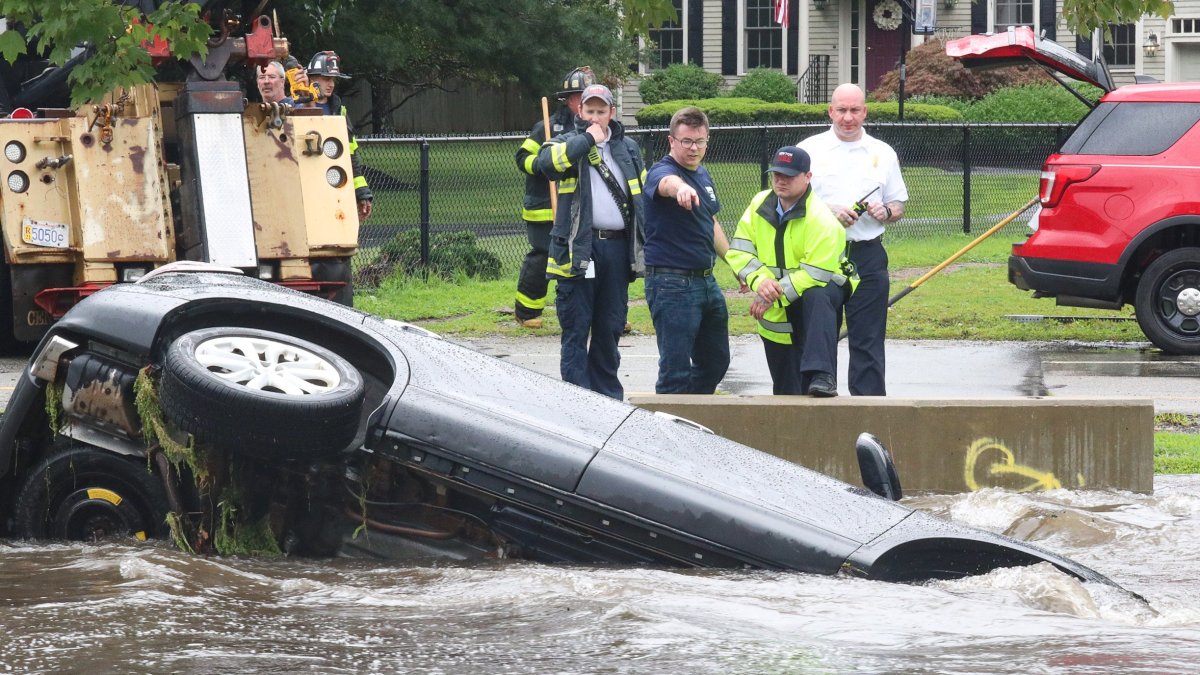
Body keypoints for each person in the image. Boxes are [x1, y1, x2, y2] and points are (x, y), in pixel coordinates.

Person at [533, 84, 646, 400]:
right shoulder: (568, 143)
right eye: (589, 111)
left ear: (612, 113)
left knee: (610, 329)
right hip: (579, 250)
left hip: (617, 250)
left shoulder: (629, 150)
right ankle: (577, 402)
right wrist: (587, 140)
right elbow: (546, 164)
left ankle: (609, 399)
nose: (596, 117)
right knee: (576, 329)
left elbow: (644, 196)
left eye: (601, 111)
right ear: (579, 112)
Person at [798, 83, 908, 396]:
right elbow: (790, 199)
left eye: (855, 110)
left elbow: (898, 204)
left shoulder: (882, 153)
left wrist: (885, 211)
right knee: (820, 329)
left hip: (868, 255)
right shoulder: (810, 150)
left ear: (865, 112)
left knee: (869, 339)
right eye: (842, 110)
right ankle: (821, 394)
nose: (848, 117)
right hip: (823, 254)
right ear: (830, 111)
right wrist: (828, 210)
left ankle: (869, 408)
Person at [726, 146, 856, 396]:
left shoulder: (822, 219)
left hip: (816, 290)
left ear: (807, 177)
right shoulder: (759, 203)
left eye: (789, 175)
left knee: (818, 295)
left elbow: (816, 273)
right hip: (775, 303)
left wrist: (770, 293)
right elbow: (739, 251)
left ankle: (822, 376)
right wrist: (760, 281)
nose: (780, 180)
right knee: (785, 391)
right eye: (776, 174)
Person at [642, 106, 730, 394]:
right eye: (686, 142)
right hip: (672, 284)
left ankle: (691, 417)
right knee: (675, 371)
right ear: (671, 141)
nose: (694, 148)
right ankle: (667, 430)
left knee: (716, 362)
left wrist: (736, 264)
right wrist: (679, 188)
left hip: (706, 282)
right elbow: (667, 184)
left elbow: (711, 221)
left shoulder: (702, 175)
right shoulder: (662, 171)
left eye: (700, 141)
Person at [512, 66, 594, 329]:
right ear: (567, 99)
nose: (582, 101)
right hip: (545, 209)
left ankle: (598, 313)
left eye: (588, 96)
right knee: (544, 255)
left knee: (590, 257)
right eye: (577, 96)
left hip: (581, 209)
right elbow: (522, 158)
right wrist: (543, 166)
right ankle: (527, 311)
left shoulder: (598, 130)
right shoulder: (547, 128)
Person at [307, 50, 373, 222]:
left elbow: (350, 154)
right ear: (311, 79)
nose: (331, 84)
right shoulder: (297, 107)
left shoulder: (339, 111)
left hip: (334, 184)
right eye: (326, 79)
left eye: (333, 80)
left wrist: (362, 193)